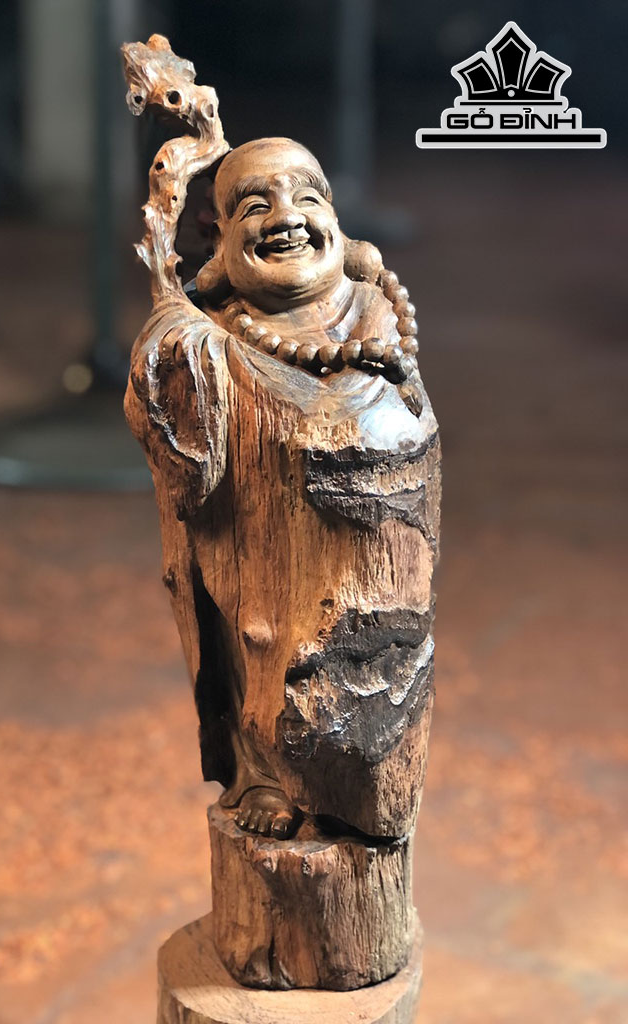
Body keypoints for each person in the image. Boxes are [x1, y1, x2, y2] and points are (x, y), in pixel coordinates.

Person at [126, 138, 440, 840]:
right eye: (254, 206)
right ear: (218, 240)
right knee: (263, 660)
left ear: (337, 220)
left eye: (307, 196)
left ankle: (371, 787)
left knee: (386, 705)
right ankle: (265, 773)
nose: (287, 217)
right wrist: (174, 327)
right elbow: (187, 467)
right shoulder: (210, 337)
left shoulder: (382, 314)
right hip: (267, 579)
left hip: (379, 580)